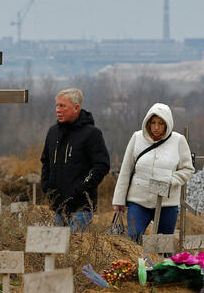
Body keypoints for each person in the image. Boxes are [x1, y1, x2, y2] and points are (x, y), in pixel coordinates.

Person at [112, 103, 194, 242]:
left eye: (161, 123)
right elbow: (126, 170)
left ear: (167, 124)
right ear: (148, 123)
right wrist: (118, 200)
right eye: (153, 123)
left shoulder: (178, 141)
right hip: (138, 201)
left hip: (166, 204)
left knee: (163, 245)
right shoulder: (137, 137)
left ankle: (161, 264)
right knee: (134, 238)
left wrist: (171, 180)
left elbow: (188, 169)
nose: (156, 127)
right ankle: (137, 264)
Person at [40, 88, 110, 231]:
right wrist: (46, 186)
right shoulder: (52, 132)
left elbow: (102, 165)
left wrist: (81, 188)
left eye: (62, 106)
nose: (58, 110)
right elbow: (45, 161)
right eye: (57, 105)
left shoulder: (92, 134)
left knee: (76, 250)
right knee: (57, 251)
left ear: (76, 108)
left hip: (81, 208)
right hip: (58, 208)